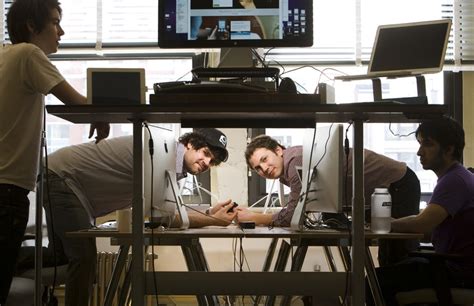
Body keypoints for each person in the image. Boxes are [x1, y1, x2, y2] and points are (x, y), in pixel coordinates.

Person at [18, 128, 236, 306]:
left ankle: (8, 257)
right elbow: (163, 216)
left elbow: (168, 212)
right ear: (190, 144)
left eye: (212, 161)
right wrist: (214, 220)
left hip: (66, 181)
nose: (207, 163)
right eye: (206, 153)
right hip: (62, 177)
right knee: (83, 258)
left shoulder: (169, 161)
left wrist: (209, 214)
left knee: (61, 257)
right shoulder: (162, 154)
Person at [0, 0, 109, 304]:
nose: (61, 31)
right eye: (54, 22)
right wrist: (104, 113)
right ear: (32, 27)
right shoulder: (29, 53)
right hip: (7, 194)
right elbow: (76, 104)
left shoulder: (6, 56)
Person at [239, 135, 421, 265]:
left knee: (399, 256)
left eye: (264, 159)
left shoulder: (295, 161)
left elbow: (292, 215)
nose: (264, 168)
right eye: (258, 168)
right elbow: (304, 204)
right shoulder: (288, 167)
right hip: (381, 191)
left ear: (278, 150)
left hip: (399, 184)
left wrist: (254, 218)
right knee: (389, 257)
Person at [370, 117, 474, 306]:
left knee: (371, 284)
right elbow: (424, 222)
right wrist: (389, 223)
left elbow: (423, 224)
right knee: (380, 277)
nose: (419, 152)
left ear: (449, 149)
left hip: (457, 272)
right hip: (456, 268)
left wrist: (384, 224)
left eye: (428, 144)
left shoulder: (454, 181)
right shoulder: (455, 177)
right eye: (420, 144)